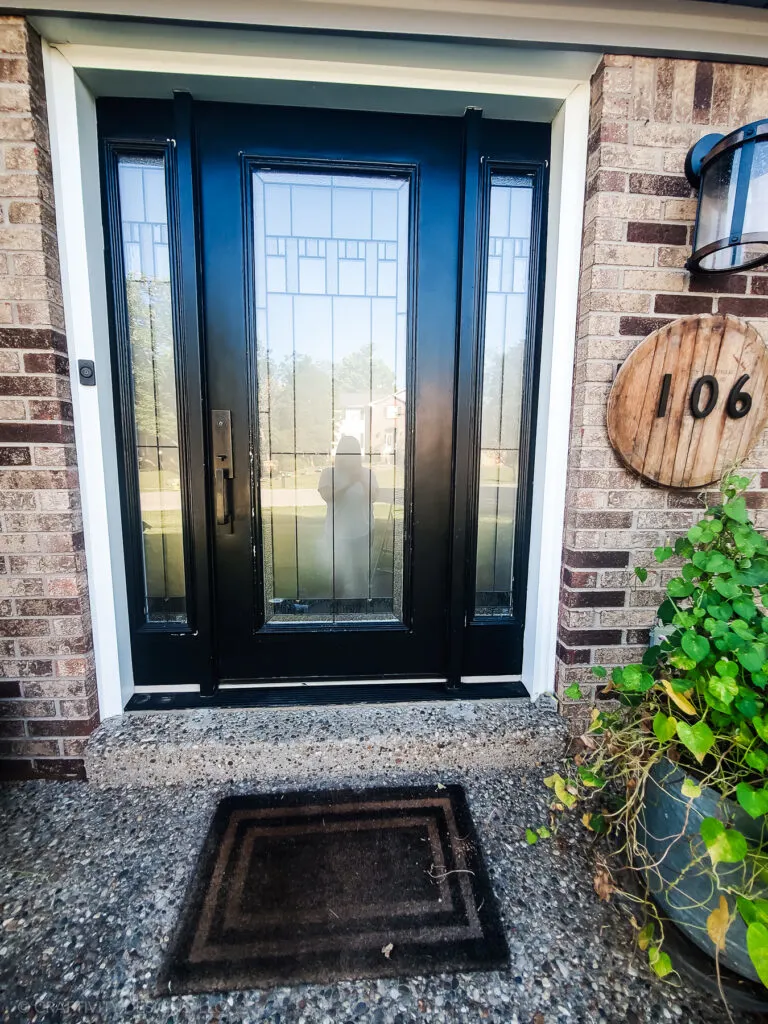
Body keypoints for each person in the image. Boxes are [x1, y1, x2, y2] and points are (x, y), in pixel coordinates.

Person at [318, 436, 380, 600]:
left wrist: (361, 480)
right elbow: (327, 496)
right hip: (336, 532)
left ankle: (361, 605)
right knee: (338, 571)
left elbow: (373, 497)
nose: (349, 457)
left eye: (353, 453)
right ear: (340, 454)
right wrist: (348, 483)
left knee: (360, 571)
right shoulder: (328, 473)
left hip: (363, 530)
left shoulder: (367, 473)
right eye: (346, 453)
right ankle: (336, 604)